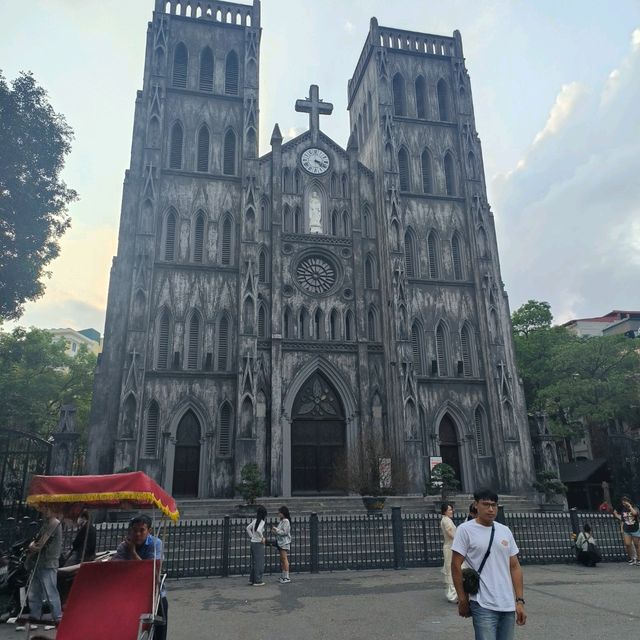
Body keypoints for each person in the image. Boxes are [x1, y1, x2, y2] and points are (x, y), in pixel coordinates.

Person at [451, 488, 527, 640]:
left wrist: (519, 600)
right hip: (482, 602)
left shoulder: (505, 531)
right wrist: (462, 599)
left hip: (506, 603)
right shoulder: (465, 530)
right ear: (476, 505)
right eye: (486, 504)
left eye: (494, 505)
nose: (491, 509)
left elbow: (515, 566)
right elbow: (455, 565)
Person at [113, 515, 168, 640]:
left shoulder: (155, 544)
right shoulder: (124, 545)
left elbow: (149, 570)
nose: (137, 534)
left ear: (149, 531)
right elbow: (116, 566)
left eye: (142, 530)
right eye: (134, 530)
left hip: (154, 593)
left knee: (159, 630)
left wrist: (132, 552)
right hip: (131, 592)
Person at [26, 506, 63, 625]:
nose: (45, 511)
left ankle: (57, 617)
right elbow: (36, 539)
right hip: (39, 562)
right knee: (35, 592)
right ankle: (35, 616)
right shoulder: (45, 524)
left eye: (48, 508)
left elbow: (39, 544)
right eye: (45, 508)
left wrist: (32, 546)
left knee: (50, 592)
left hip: (48, 562)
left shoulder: (54, 523)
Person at [613, 496, 640, 566]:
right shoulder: (623, 509)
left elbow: (635, 514)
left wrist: (630, 507)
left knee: (637, 545)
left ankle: (638, 559)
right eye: (623, 501)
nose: (623, 502)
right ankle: (632, 558)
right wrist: (616, 515)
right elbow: (622, 519)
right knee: (628, 544)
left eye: (625, 501)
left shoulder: (634, 507)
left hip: (635, 529)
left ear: (629, 500)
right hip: (626, 529)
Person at [440, 503, 458, 603]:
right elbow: (450, 533)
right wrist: (459, 540)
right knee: (451, 569)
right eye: (450, 510)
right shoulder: (446, 520)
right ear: (445, 511)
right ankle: (453, 594)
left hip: (450, 546)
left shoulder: (446, 520)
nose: (452, 511)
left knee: (452, 568)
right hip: (450, 547)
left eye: (451, 509)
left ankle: (454, 593)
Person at [246, 505, 267, 586]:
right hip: (258, 543)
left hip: (253, 542)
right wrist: (262, 537)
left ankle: (252, 579)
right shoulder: (262, 522)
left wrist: (252, 536)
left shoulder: (255, 521)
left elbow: (247, 528)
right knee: (259, 563)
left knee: (254, 562)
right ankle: (258, 580)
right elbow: (258, 530)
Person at [272, 505, 292, 584]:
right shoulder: (282, 521)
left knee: (284, 558)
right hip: (280, 541)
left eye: (279, 512)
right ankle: (283, 575)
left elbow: (285, 532)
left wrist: (276, 530)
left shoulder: (286, 521)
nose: (278, 514)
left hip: (284, 542)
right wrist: (275, 532)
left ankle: (286, 576)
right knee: (282, 559)